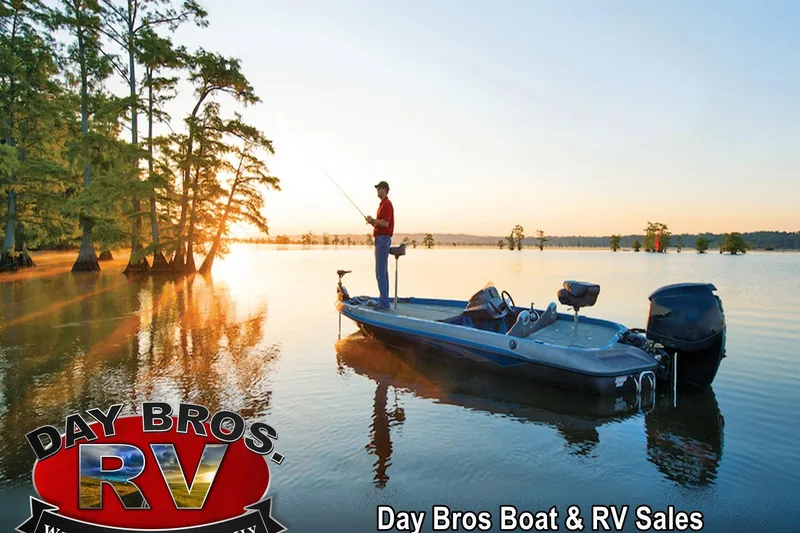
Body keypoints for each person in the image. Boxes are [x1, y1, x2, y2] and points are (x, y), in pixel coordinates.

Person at [365, 180, 394, 309]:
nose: (378, 191)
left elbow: (385, 223)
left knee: (380, 272)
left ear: (385, 190)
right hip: (381, 238)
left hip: (383, 240)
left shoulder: (387, 204)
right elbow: (380, 223)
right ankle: (384, 300)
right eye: (377, 189)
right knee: (382, 271)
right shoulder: (382, 205)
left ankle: (383, 302)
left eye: (379, 188)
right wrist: (372, 222)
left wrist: (373, 220)